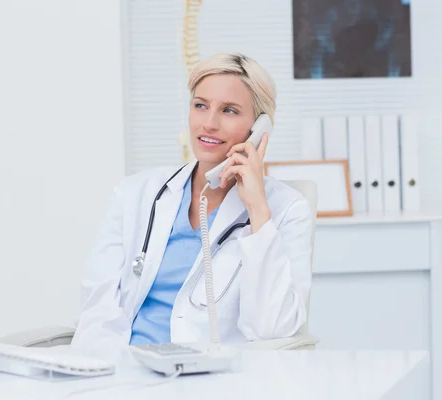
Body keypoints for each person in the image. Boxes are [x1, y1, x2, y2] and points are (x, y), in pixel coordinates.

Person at [71, 52, 313, 355]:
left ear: (259, 128)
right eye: (200, 106)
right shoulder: (134, 194)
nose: (209, 123)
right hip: (123, 373)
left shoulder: (288, 210)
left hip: (212, 379)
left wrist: (258, 212)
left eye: (229, 110)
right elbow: (98, 310)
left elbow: (273, 330)